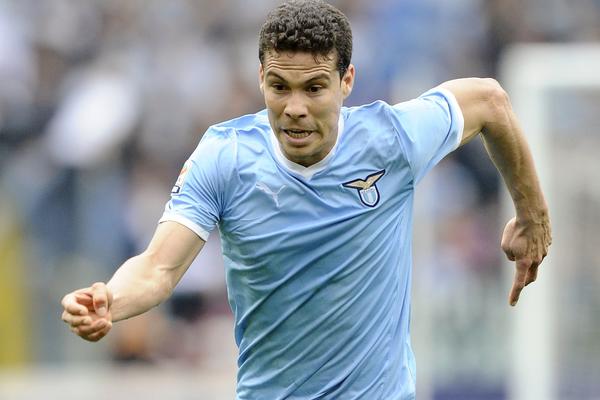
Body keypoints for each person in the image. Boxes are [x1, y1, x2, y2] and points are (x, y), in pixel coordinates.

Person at [60, 0, 552, 398]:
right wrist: (110, 300)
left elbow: (490, 101)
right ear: (261, 79)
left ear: (346, 81)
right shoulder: (226, 157)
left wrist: (532, 217)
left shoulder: (390, 141)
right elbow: (158, 268)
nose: (294, 108)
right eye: (280, 87)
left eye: (314, 88)